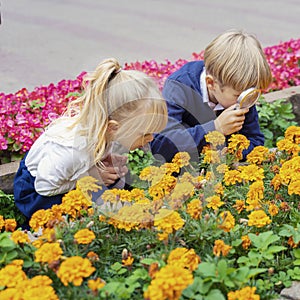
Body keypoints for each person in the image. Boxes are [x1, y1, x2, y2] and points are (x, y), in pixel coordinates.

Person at [14, 58, 168, 222]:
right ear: (114, 127)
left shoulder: (104, 128)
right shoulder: (71, 151)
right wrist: (87, 178)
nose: (151, 139)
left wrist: (102, 161)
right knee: (82, 213)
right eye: (145, 134)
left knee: (113, 184)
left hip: (62, 175)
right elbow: (44, 187)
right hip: (37, 192)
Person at [150, 29, 273, 163]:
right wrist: (215, 128)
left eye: (250, 94)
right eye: (238, 95)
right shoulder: (180, 87)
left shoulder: (240, 91)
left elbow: (255, 141)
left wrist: (230, 153)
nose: (247, 101)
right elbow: (160, 144)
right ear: (211, 83)